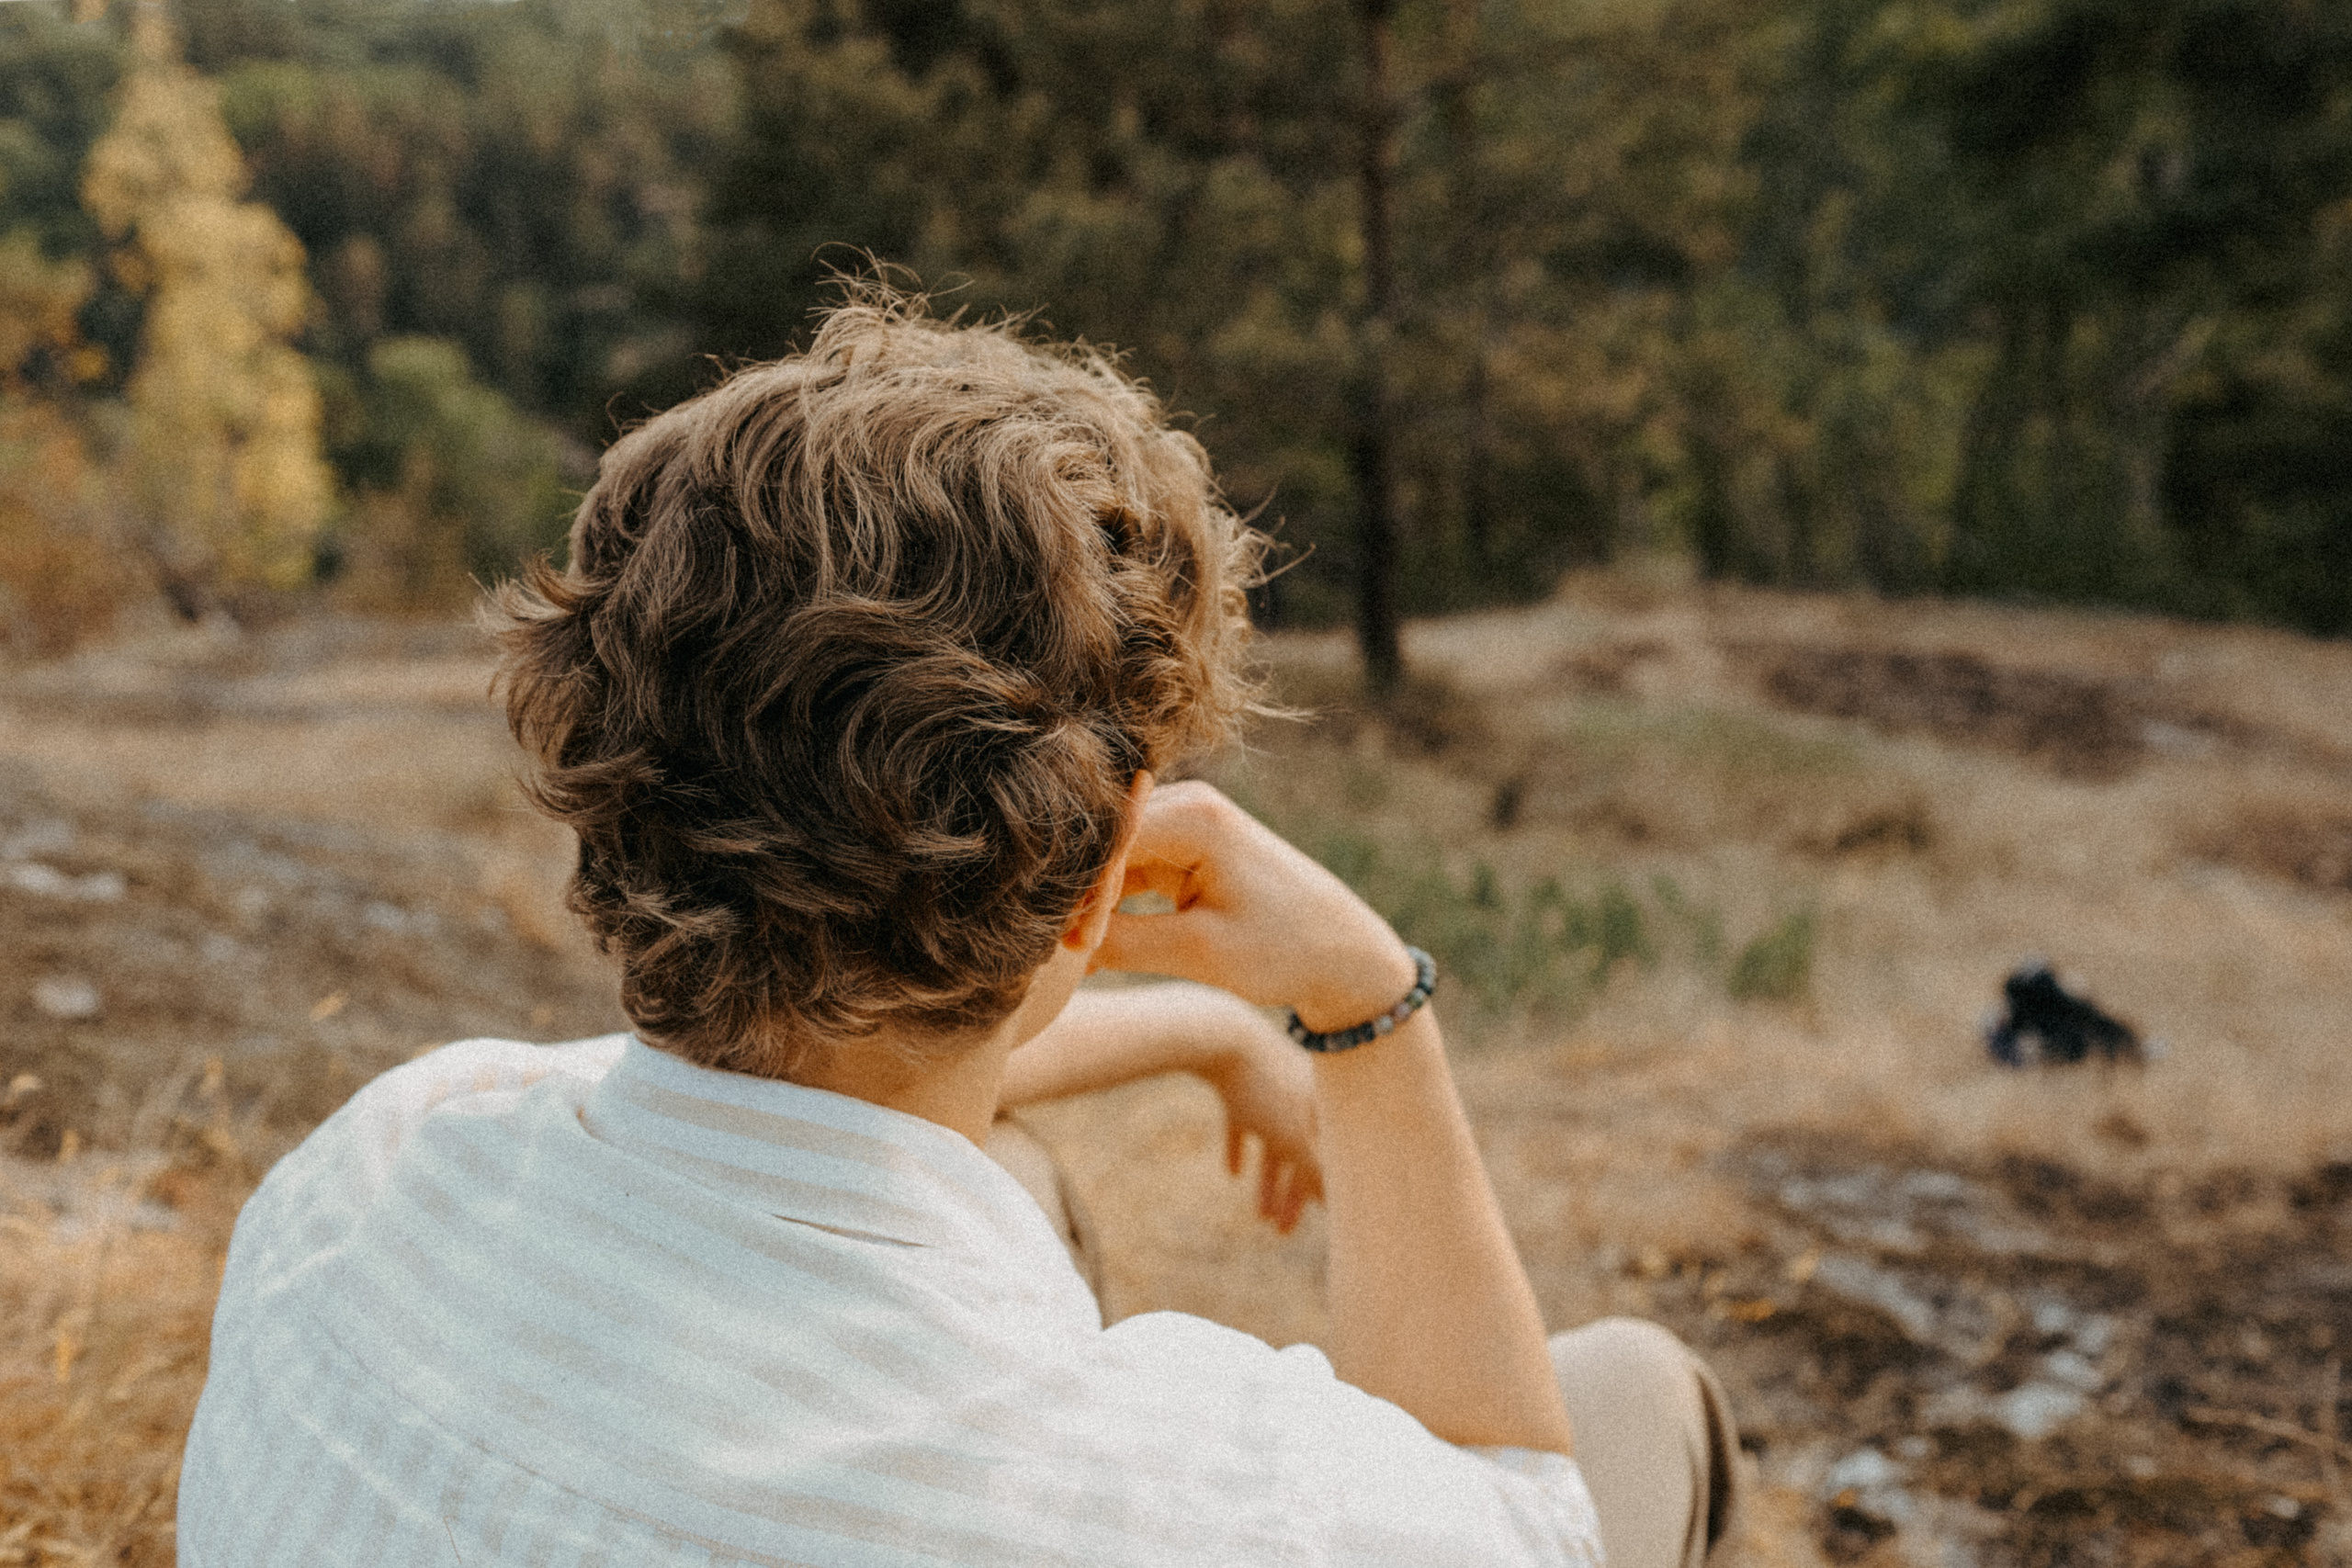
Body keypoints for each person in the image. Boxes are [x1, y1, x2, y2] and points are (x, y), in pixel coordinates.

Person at [177, 288, 1740, 1568]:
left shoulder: (372, 1169)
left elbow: (790, 1099)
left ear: (605, 778)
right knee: (1638, 1394)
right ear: (1105, 869)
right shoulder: (1230, 1506)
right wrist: (1366, 1009)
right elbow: (1525, 1516)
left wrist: (1204, 1034)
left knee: (1015, 1165)